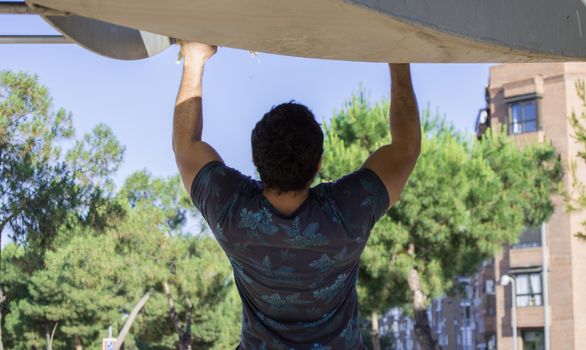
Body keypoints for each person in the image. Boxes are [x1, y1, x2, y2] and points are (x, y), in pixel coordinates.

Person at [172, 41, 421, 350]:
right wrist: (398, 61)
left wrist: (194, 60)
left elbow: (186, 146)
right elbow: (406, 148)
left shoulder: (232, 214)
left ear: (255, 159)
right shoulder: (347, 212)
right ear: (318, 164)